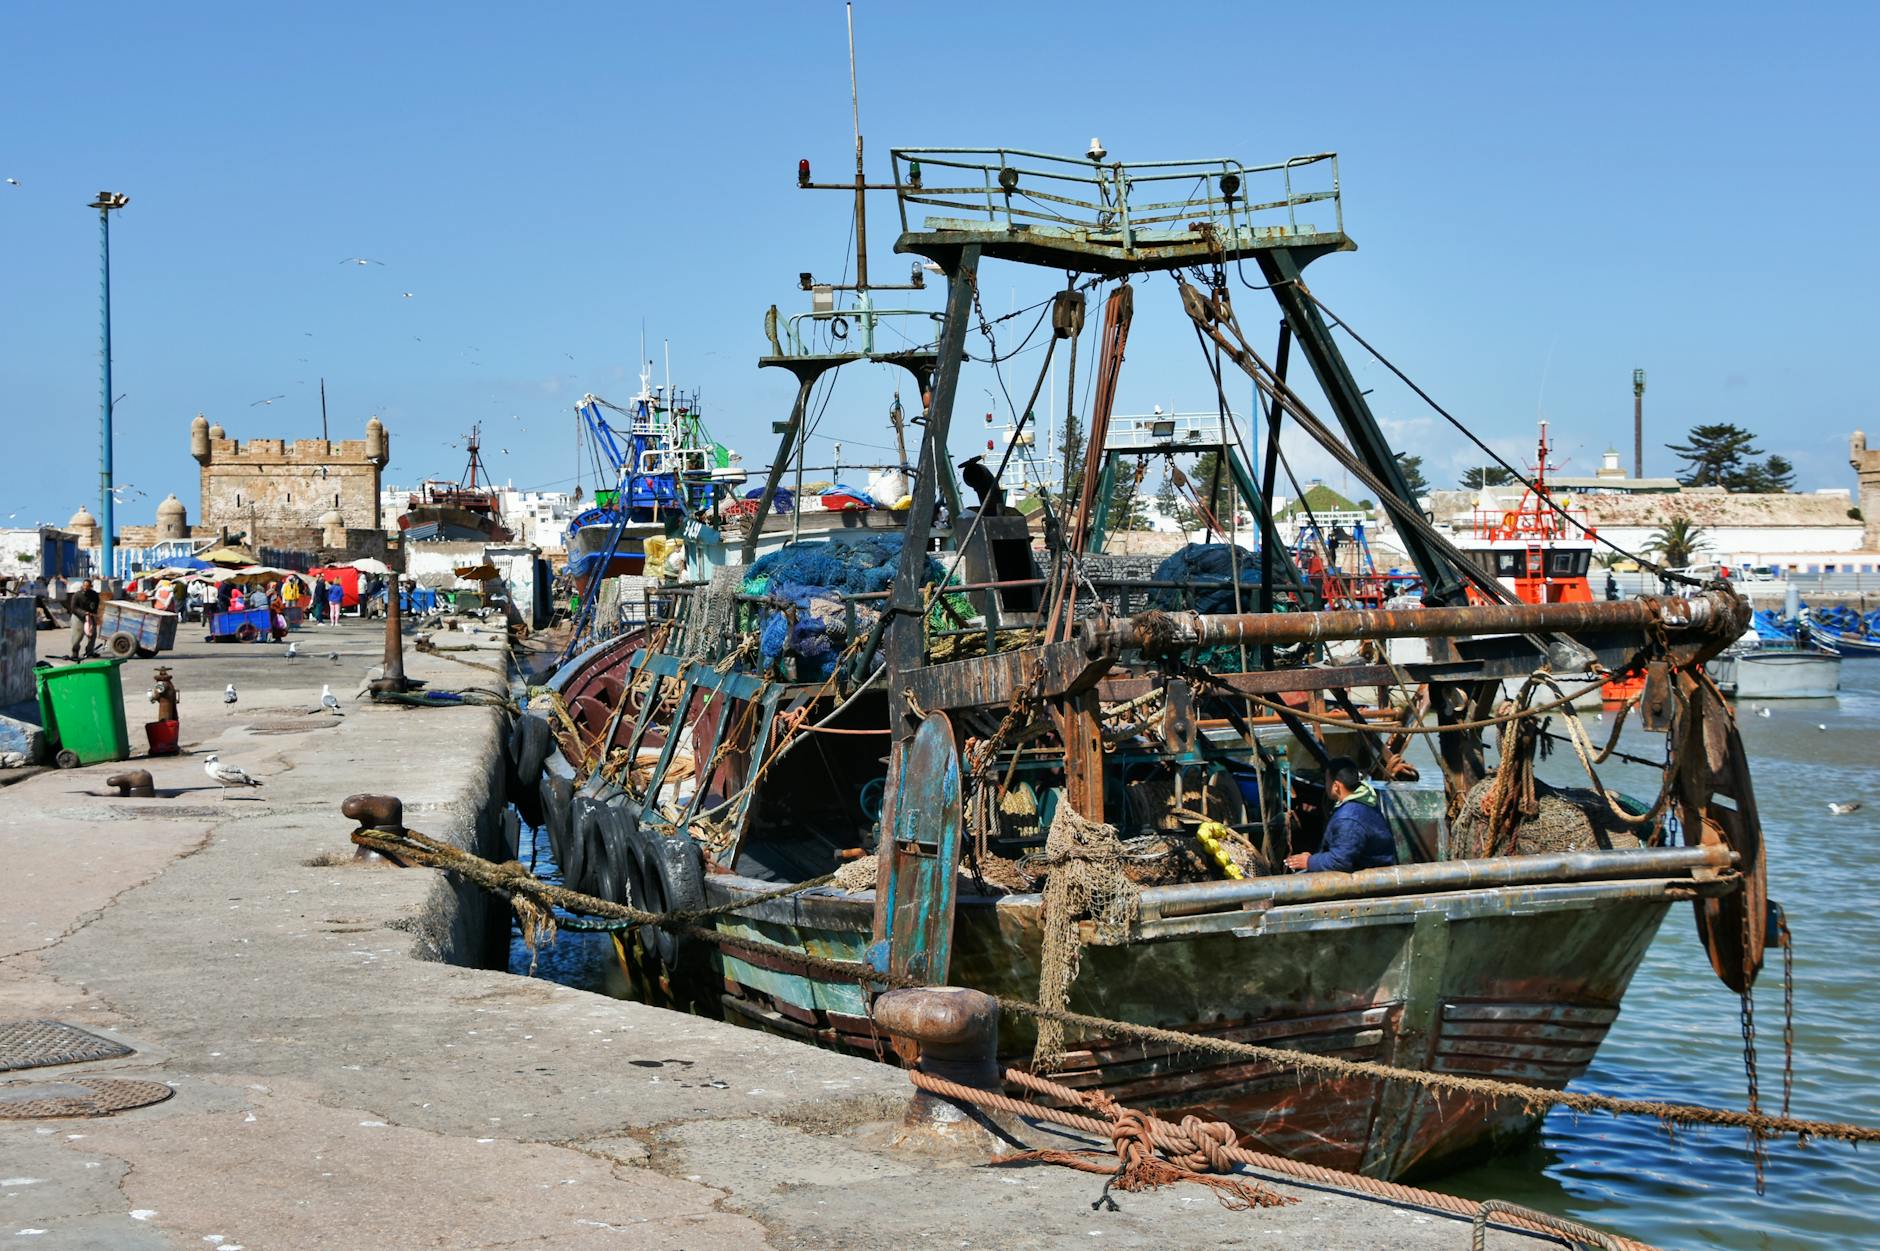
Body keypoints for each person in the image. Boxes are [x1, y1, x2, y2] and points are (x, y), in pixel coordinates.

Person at [1284, 757, 1398, 874]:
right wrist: (1315, 858)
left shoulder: (1348, 819)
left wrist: (1309, 861)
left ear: (1336, 786)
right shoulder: (1365, 798)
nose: (1325, 785)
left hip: (1369, 876)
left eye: (1327, 781)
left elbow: (1340, 862)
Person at [66, 578, 102, 660]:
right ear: (82, 586)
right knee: (77, 636)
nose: (85, 587)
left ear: (91, 586)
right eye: (84, 586)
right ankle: (75, 652)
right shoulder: (77, 595)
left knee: (92, 635)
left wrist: (92, 615)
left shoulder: (94, 595)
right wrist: (83, 613)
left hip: (90, 615)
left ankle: (89, 652)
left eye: (88, 586)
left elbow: (95, 606)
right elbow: (73, 608)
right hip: (78, 616)